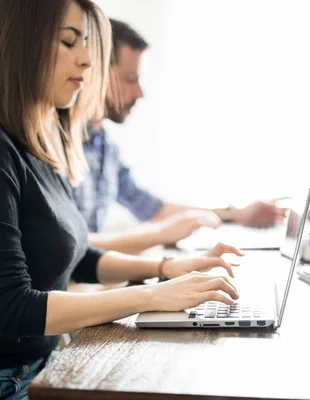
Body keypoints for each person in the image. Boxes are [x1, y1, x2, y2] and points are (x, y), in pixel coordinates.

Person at [0, 2, 242, 399]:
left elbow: (80, 256)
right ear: (20, 46)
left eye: (86, 43)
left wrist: (167, 267)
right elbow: (14, 311)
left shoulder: (38, 141)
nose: (88, 60)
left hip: (40, 366)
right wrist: (153, 295)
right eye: (69, 42)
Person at [71, 19, 286, 255]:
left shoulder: (104, 147)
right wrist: (160, 234)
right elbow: (68, 245)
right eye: (130, 79)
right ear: (94, 73)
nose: (140, 93)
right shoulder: (57, 145)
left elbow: (155, 210)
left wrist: (235, 214)